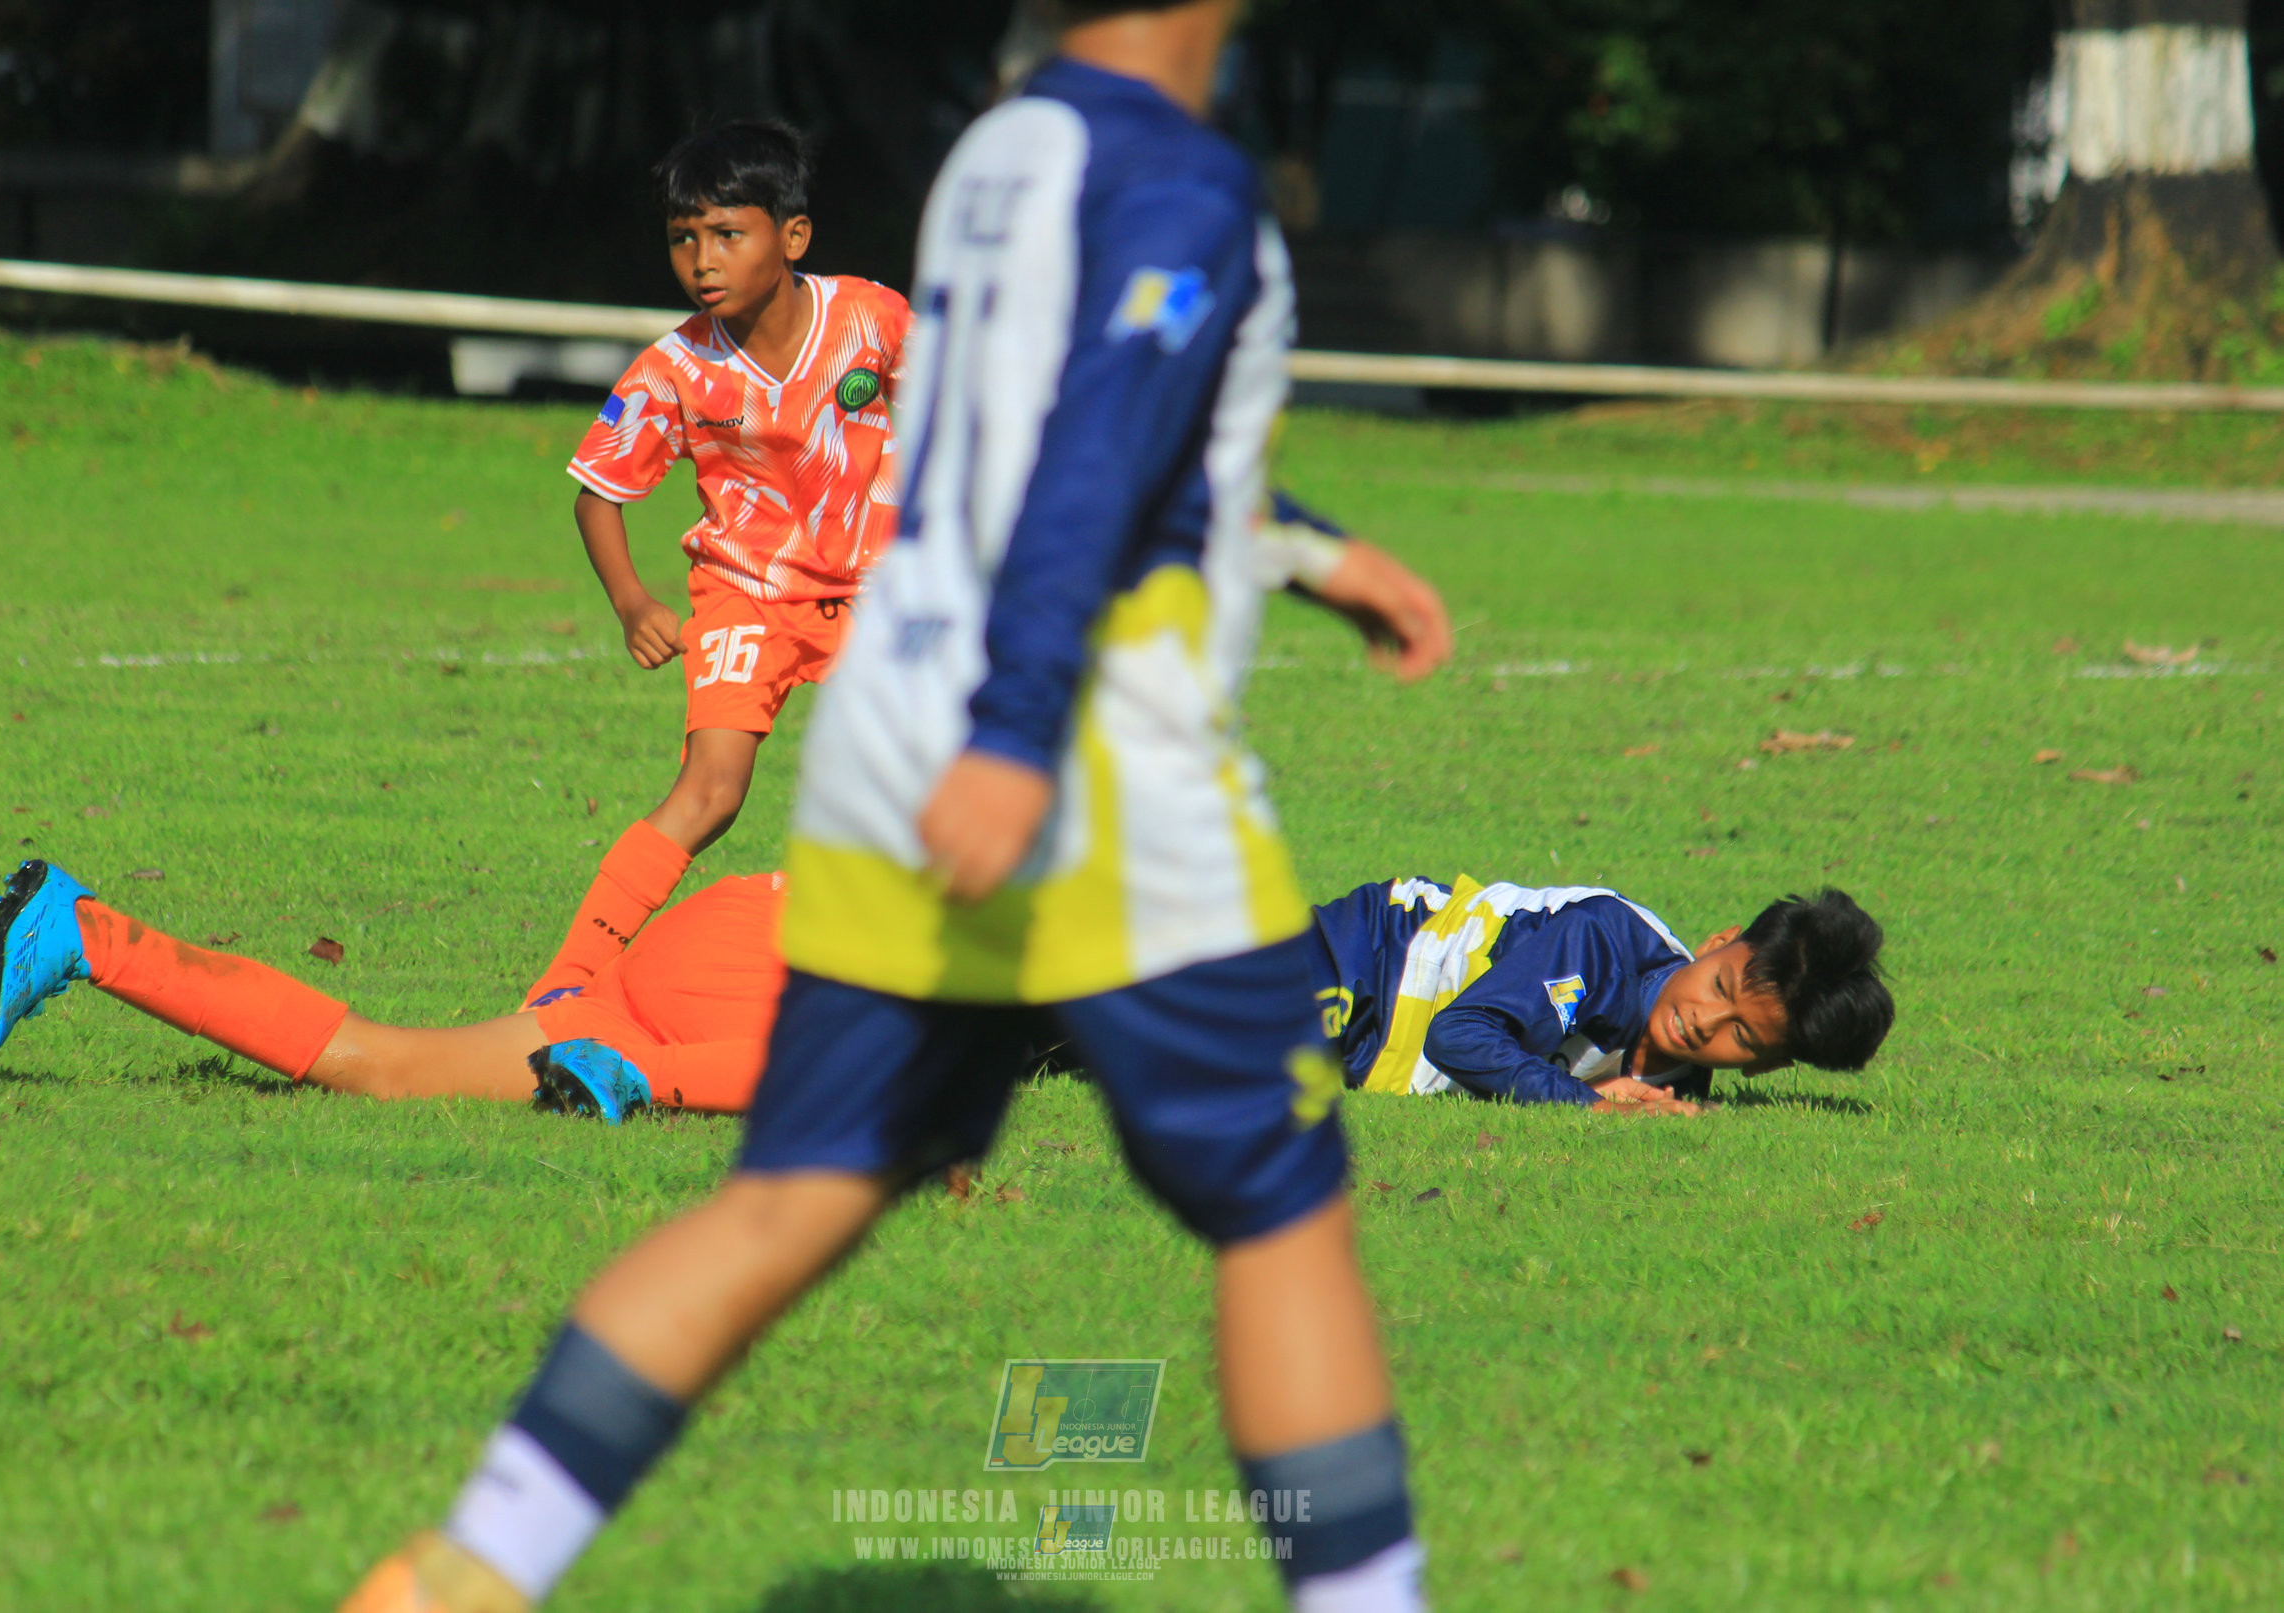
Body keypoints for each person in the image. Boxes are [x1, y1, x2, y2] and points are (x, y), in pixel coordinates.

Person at [337, 2, 1455, 1611]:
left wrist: (1308, 550)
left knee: (795, 1195)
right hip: (1088, 766)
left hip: (885, 735)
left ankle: (461, 1569)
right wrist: (1015, 733)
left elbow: (1042, 425)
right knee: (1282, 1217)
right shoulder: (1177, 180)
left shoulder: (1001, 150)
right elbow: (1091, 463)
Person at [526, 119, 912, 1010]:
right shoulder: (674, 369)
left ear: (793, 236)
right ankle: (561, 988)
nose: (702, 260)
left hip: (880, 589)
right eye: (682, 238)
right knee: (711, 791)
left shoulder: (871, 319)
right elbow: (597, 494)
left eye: (727, 234)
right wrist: (633, 602)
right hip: (747, 593)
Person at [0, 859, 782, 1118]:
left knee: (383, 1066)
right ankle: (630, 1077)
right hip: (742, 978)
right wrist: (643, 1074)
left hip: (683, 970)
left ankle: (84, 933)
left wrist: (572, 979)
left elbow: (694, 803)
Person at [1313, 877, 1894, 1114]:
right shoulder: (1605, 939)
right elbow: (1457, 1035)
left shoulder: (1677, 1089)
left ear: (1764, 1064)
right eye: (1720, 985)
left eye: (1741, 1034)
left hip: (1375, 1054)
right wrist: (1586, 1103)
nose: (1705, 1020)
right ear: (1717, 943)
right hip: (1369, 954)